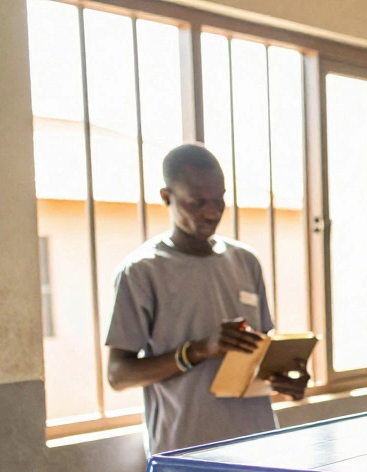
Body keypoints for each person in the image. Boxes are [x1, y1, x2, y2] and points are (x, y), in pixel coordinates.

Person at [105, 144, 308, 455]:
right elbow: (119, 376)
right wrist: (198, 350)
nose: (212, 212)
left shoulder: (245, 261)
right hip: (185, 453)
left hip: (258, 445)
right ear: (166, 197)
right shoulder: (142, 272)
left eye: (219, 200)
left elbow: (259, 351)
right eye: (197, 202)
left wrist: (285, 378)